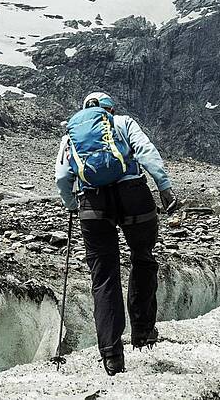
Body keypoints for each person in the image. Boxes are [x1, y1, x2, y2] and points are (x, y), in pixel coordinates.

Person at [55, 92, 179, 376]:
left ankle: (112, 356)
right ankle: (144, 332)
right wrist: (164, 188)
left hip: (93, 202)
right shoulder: (122, 122)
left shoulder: (71, 134)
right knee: (143, 257)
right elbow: (147, 152)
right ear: (109, 109)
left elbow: (62, 177)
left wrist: (73, 205)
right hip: (133, 194)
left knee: (104, 274)